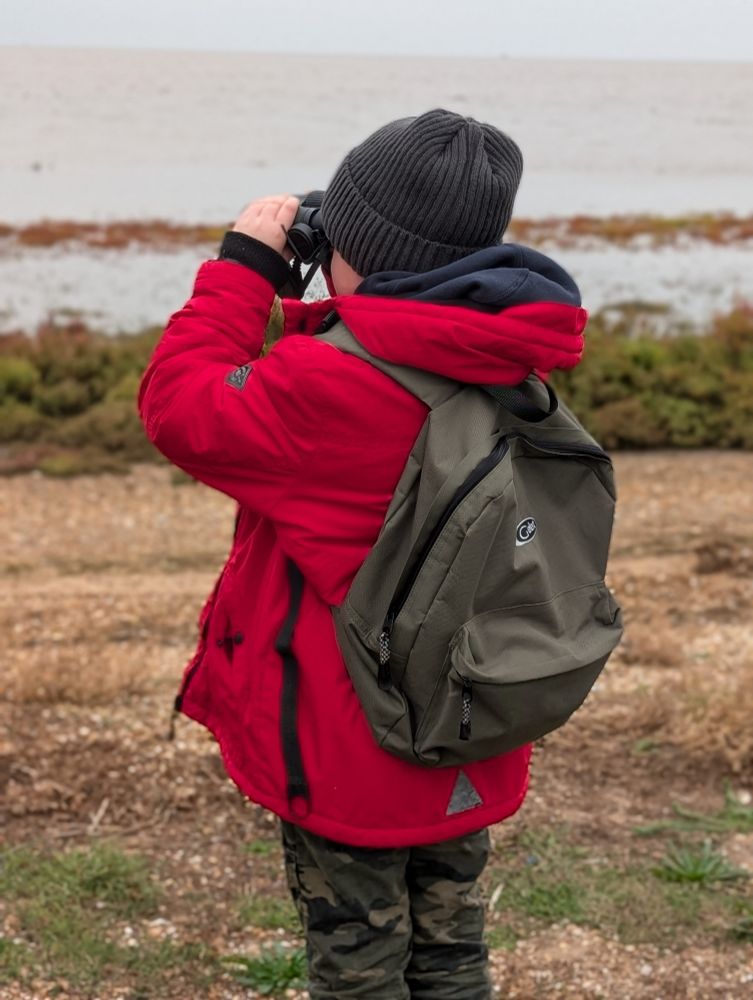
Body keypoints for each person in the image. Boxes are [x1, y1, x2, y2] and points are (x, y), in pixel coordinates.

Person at [138, 108, 587, 999]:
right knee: (451, 952)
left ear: (357, 246)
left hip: (352, 746)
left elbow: (180, 407)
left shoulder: (328, 385)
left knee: (358, 964)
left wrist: (245, 272)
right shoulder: (506, 358)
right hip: (472, 720)